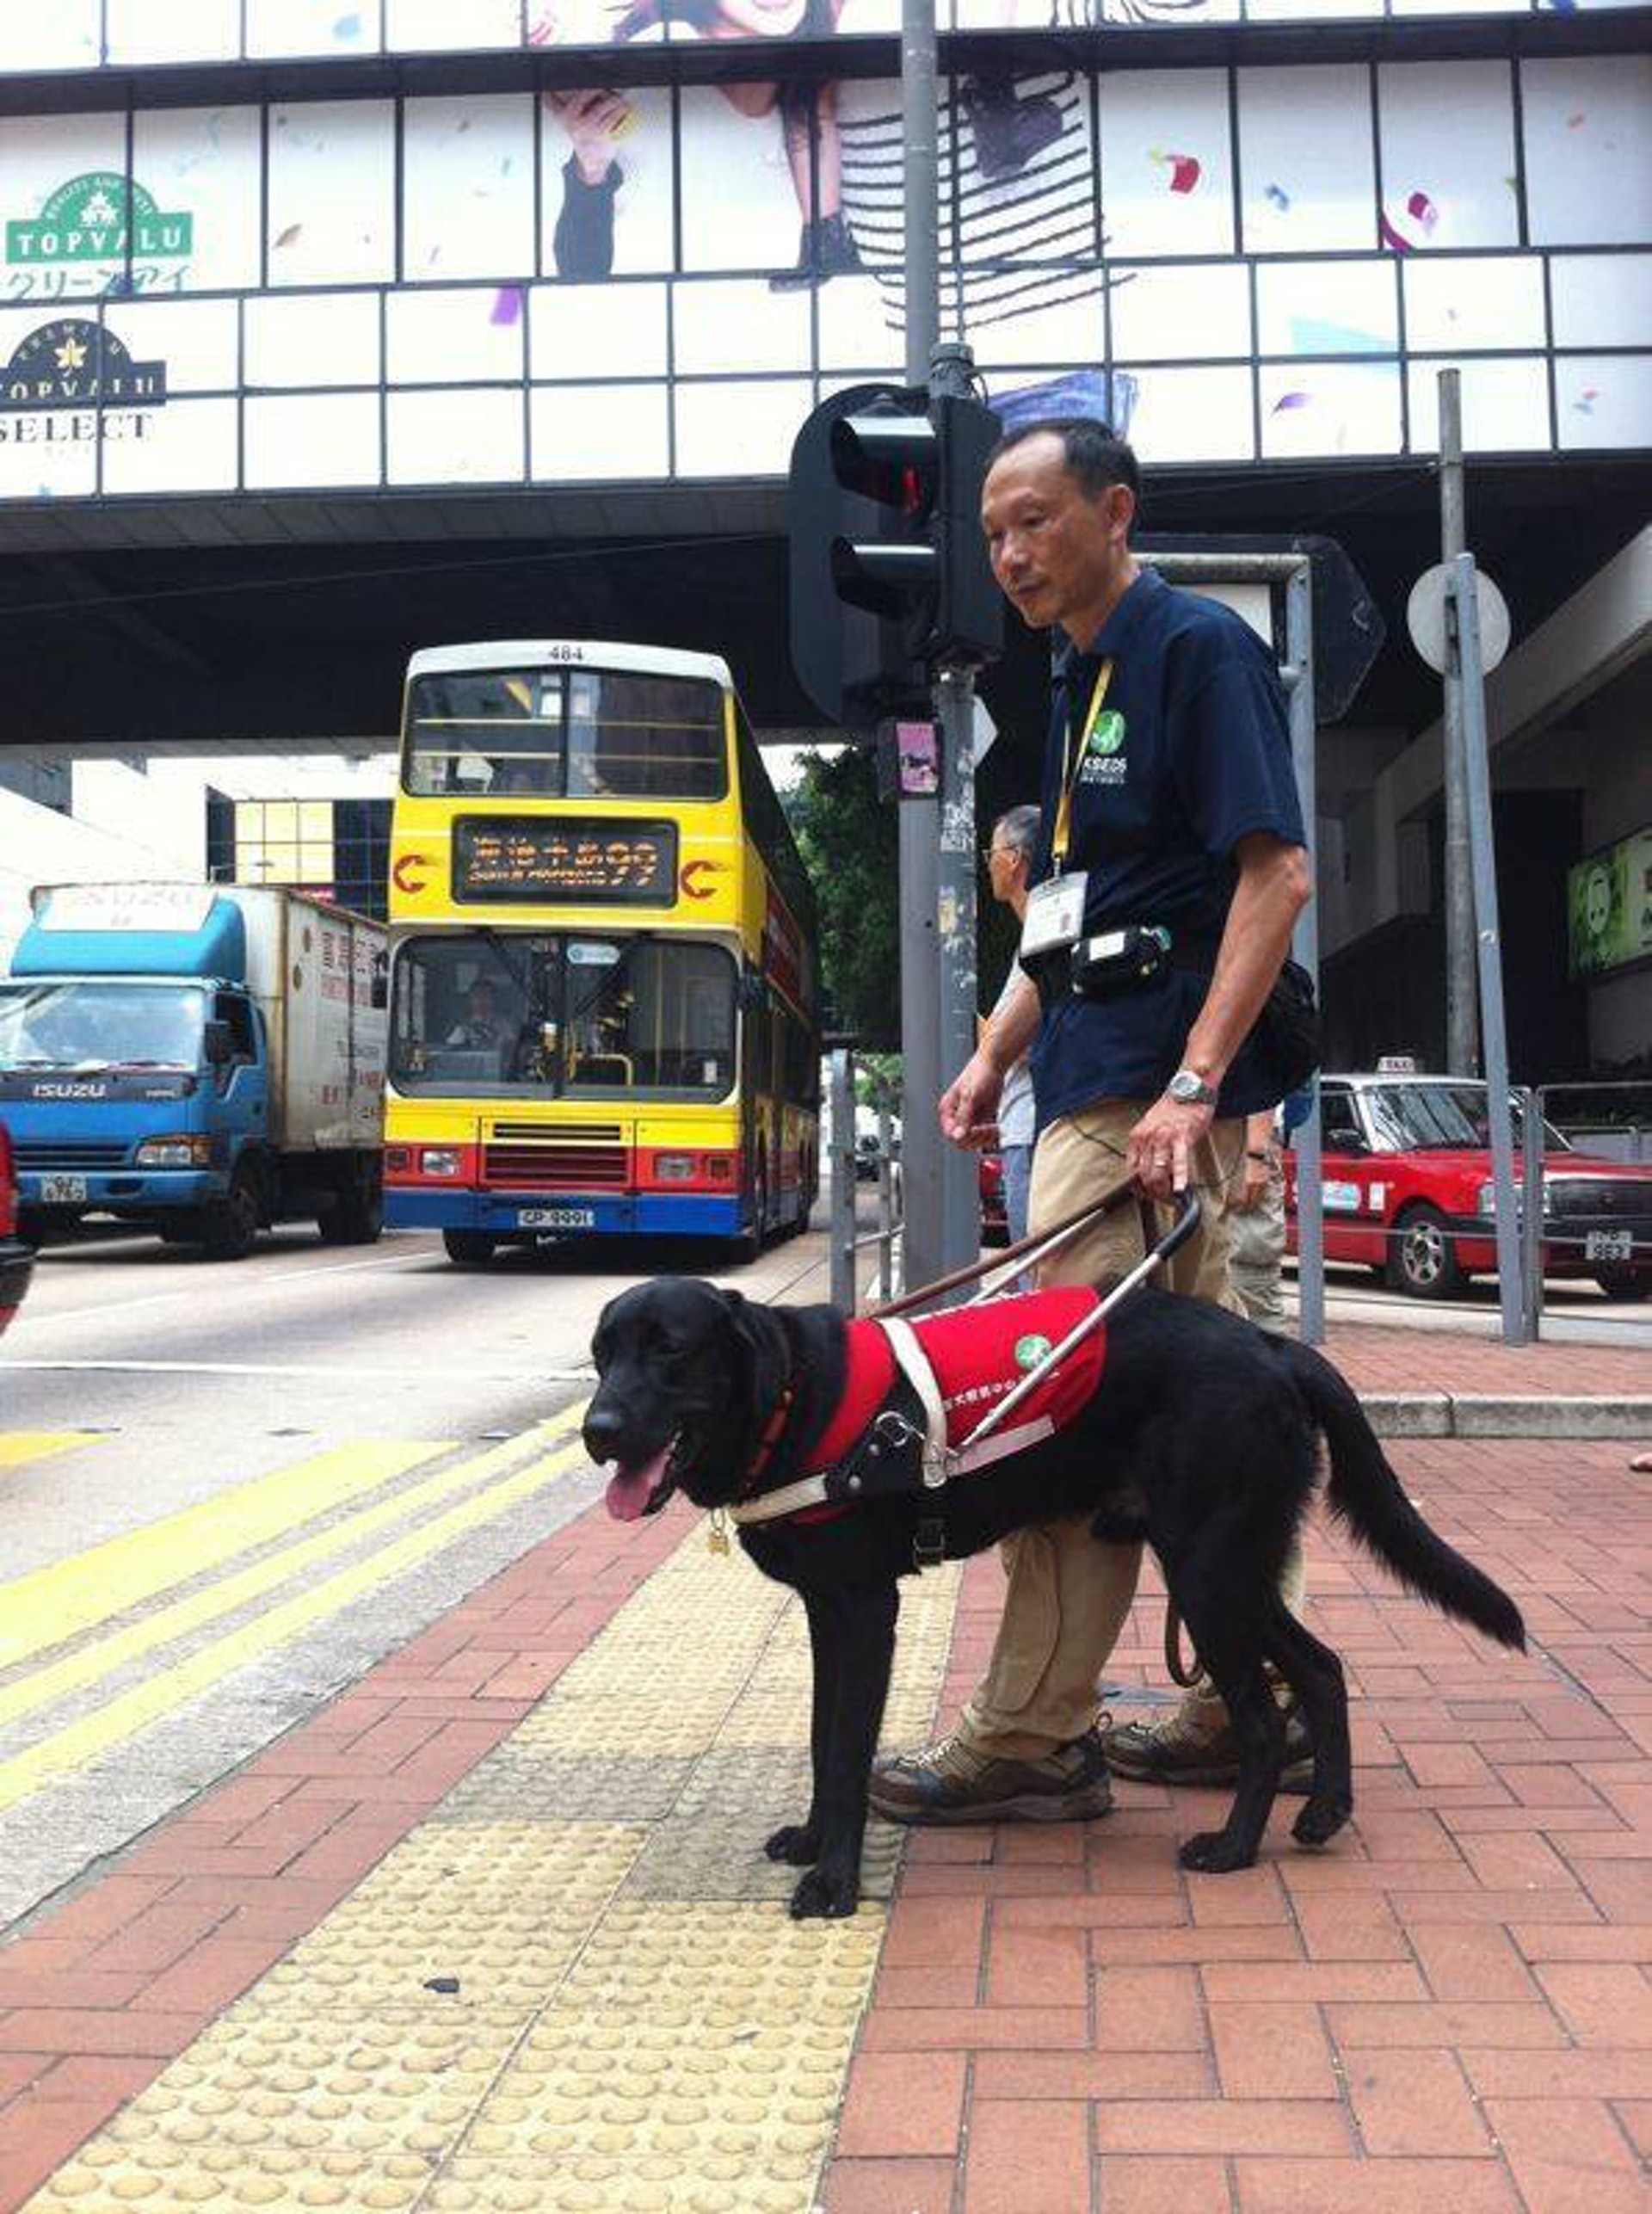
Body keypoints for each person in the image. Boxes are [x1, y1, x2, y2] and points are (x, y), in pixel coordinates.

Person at [870, 416, 1313, 1827]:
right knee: (1201, 1418)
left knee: (1049, 1413)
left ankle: (1031, 1734)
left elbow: (1278, 875)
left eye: (1035, 520)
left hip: (1144, 1108)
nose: (1008, 554)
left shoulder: (1196, 650)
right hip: (1096, 1076)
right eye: (993, 532)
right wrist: (994, 1054)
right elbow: (1073, 915)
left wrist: (1193, 1084)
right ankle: (1254, 1702)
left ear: (1115, 512)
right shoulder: (1079, 676)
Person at [984, 805, 1039, 1249]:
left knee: (1036, 1270)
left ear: (1015, 859)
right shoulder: (1033, 936)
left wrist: (990, 1043)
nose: (988, 864)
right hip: (1024, 1126)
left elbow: (1023, 1038)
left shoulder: (1043, 936)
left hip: (1033, 1129)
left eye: (993, 853)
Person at [446, 979, 505, 1051]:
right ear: (470, 1000)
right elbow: (452, 1050)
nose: (482, 999)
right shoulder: (462, 1027)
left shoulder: (502, 1025)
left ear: (494, 1000)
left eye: (486, 995)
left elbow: (511, 1046)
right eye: (477, 995)